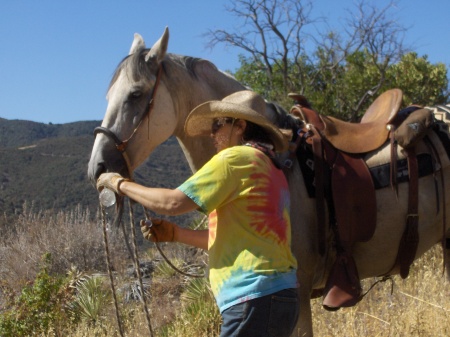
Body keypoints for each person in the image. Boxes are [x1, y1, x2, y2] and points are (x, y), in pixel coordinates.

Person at [97, 90, 299, 337]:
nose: (212, 133)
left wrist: (119, 184)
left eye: (217, 124)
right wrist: (176, 233)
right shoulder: (270, 166)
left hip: (252, 297)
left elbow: (172, 203)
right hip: (281, 296)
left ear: (240, 126)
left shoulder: (234, 159)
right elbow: (231, 238)